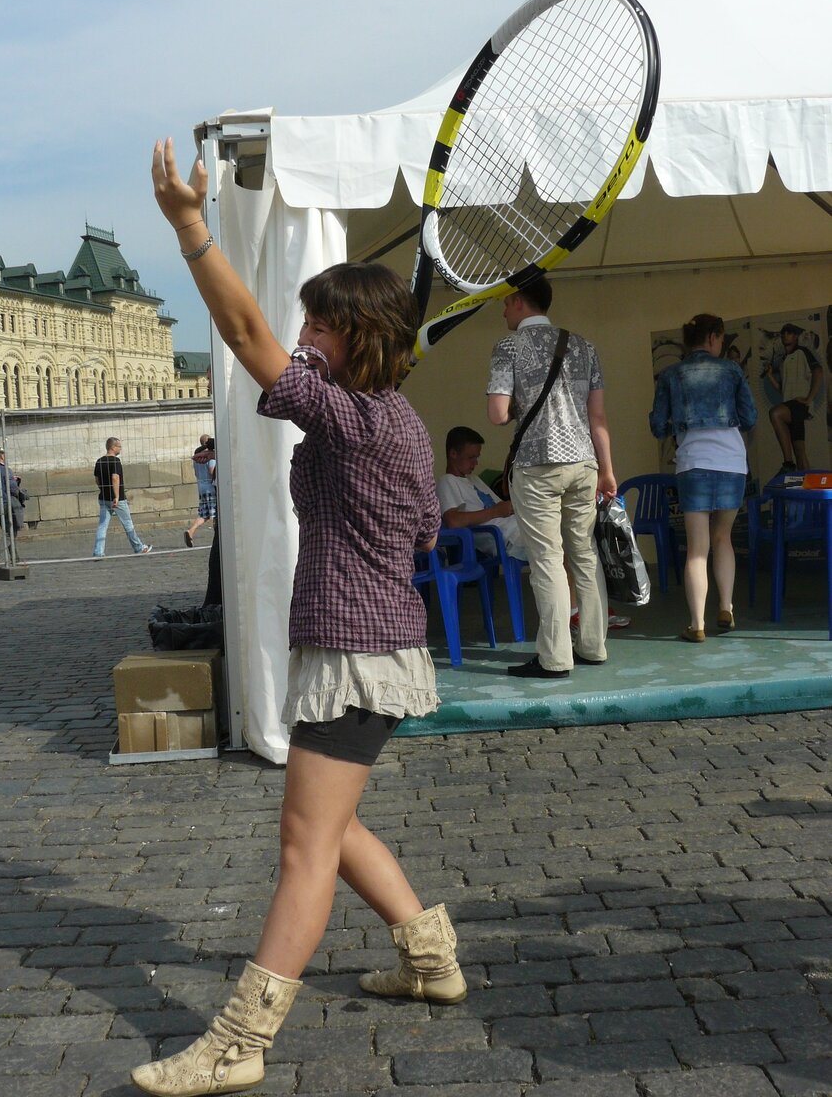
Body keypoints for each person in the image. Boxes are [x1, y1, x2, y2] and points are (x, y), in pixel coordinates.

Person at [133, 139, 463, 1097]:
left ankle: (240, 1041)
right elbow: (423, 528)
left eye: (319, 322)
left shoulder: (360, 420)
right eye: (305, 317)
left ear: (359, 335)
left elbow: (245, 339)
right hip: (370, 643)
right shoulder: (394, 420)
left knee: (304, 845)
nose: (303, 332)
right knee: (337, 825)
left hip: (358, 652)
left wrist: (191, 228)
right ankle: (432, 960)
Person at [487, 277, 616, 679]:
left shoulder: (508, 347)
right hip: (585, 462)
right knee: (584, 554)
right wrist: (608, 470)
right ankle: (593, 646)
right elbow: (597, 416)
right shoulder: (584, 346)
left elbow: (497, 414)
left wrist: (522, 406)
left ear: (518, 300)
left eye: (505, 303)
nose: (503, 311)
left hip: (537, 463)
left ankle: (555, 658)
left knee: (547, 560)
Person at [649, 313, 758, 641]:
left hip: (693, 463)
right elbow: (750, 417)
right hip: (731, 462)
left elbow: (657, 426)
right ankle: (726, 607)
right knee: (723, 538)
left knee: (697, 549)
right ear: (713, 337)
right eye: (721, 339)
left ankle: (697, 625)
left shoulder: (671, 374)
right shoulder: (732, 370)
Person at [436, 426, 527, 560]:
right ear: (453, 454)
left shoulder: (474, 479)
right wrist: (495, 511)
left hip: (519, 528)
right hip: (507, 537)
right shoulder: (447, 481)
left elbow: (500, 507)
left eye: (477, 457)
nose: (476, 463)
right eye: (471, 457)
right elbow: (453, 521)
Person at [763, 322, 823, 472]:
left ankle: (788, 464)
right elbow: (782, 389)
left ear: (796, 336)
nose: (785, 335)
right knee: (799, 450)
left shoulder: (802, 352)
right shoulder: (783, 360)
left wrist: (809, 399)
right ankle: (807, 482)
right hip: (789, 405)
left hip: (798, 404)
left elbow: (818, 371)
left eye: (789, 332)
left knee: (775, 413)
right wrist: (770, 376)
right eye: (783, 333)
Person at [92, 438, 152, 558]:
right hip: (117, 500)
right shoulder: (115, 461)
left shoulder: (99, 461)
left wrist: (103, 489)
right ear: (113, 447)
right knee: (128, 524)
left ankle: (98, 552)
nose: (120, 449)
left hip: (103, 498)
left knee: (102, 525)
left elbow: (97, 479)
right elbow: (115, 478)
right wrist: (116, 496)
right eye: (119, 446)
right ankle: (139, 548)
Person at [0, 446, 24, 542]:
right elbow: (13, 489)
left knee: (7, 531)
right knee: (11, 532)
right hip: (7, 503)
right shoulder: (6, 470)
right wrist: (16, 482)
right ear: (1, 456)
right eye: (3, 454)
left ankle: (11, 552)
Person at [184, 436, 216, 547]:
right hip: (210, 487)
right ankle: (218, 536)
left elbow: (196, 474)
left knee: (204, 514)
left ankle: (190, 531)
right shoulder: (209, 456)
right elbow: (212, 471)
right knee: (215, 513)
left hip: (201, 486)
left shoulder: (197, 456)